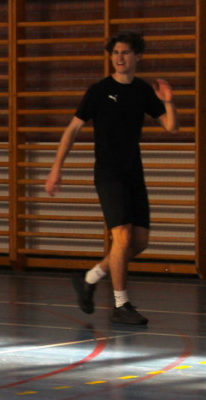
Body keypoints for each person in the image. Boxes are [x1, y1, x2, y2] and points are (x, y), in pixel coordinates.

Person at [45, 31, 179, 326]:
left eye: (126, 52)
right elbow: (72, 130)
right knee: (122, 237)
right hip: (108, 173)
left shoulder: (142, 90)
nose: (119, 57)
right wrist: (56, 168)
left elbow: (171, 127)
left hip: (134, 172)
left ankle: (89, 278)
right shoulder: (99, 90)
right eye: (115, 52)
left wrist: (168, 101)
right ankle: (121, 304)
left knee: (138, 242)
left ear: (137, 56)